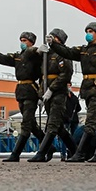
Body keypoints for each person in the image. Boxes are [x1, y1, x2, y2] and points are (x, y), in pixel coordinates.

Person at [42, 22, 96, 162]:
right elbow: (68, 52)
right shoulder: (84, 50)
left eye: (91, 31)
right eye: (87, 31)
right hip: (88, 89)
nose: (88, 33)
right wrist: (53, 45)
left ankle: (80, 153)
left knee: (90, 122)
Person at [0, 32, 44, 162]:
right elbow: (1, 58)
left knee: (26, 124)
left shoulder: (35, 55)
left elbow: (39, 58)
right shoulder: (18, 56)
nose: (22, 42)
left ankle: (15, 154)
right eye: (21, 40)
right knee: (32, 124)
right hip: (20, 90)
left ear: (31, 42)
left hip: (31, 90)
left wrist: (39, 50)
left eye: (25, 40)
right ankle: (50, 146)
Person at [28, 28, 77, 162]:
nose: (51, 39)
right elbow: (41, 76)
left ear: (59, 40)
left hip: (58, 93)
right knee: (59, 127)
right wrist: (41, 94)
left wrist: (51, 89)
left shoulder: (63, 54)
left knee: (53, 124)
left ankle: (41, 153)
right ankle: (76, 151)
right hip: (47, 94)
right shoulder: (47, 54)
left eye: (54, 37)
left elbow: (65, 74)